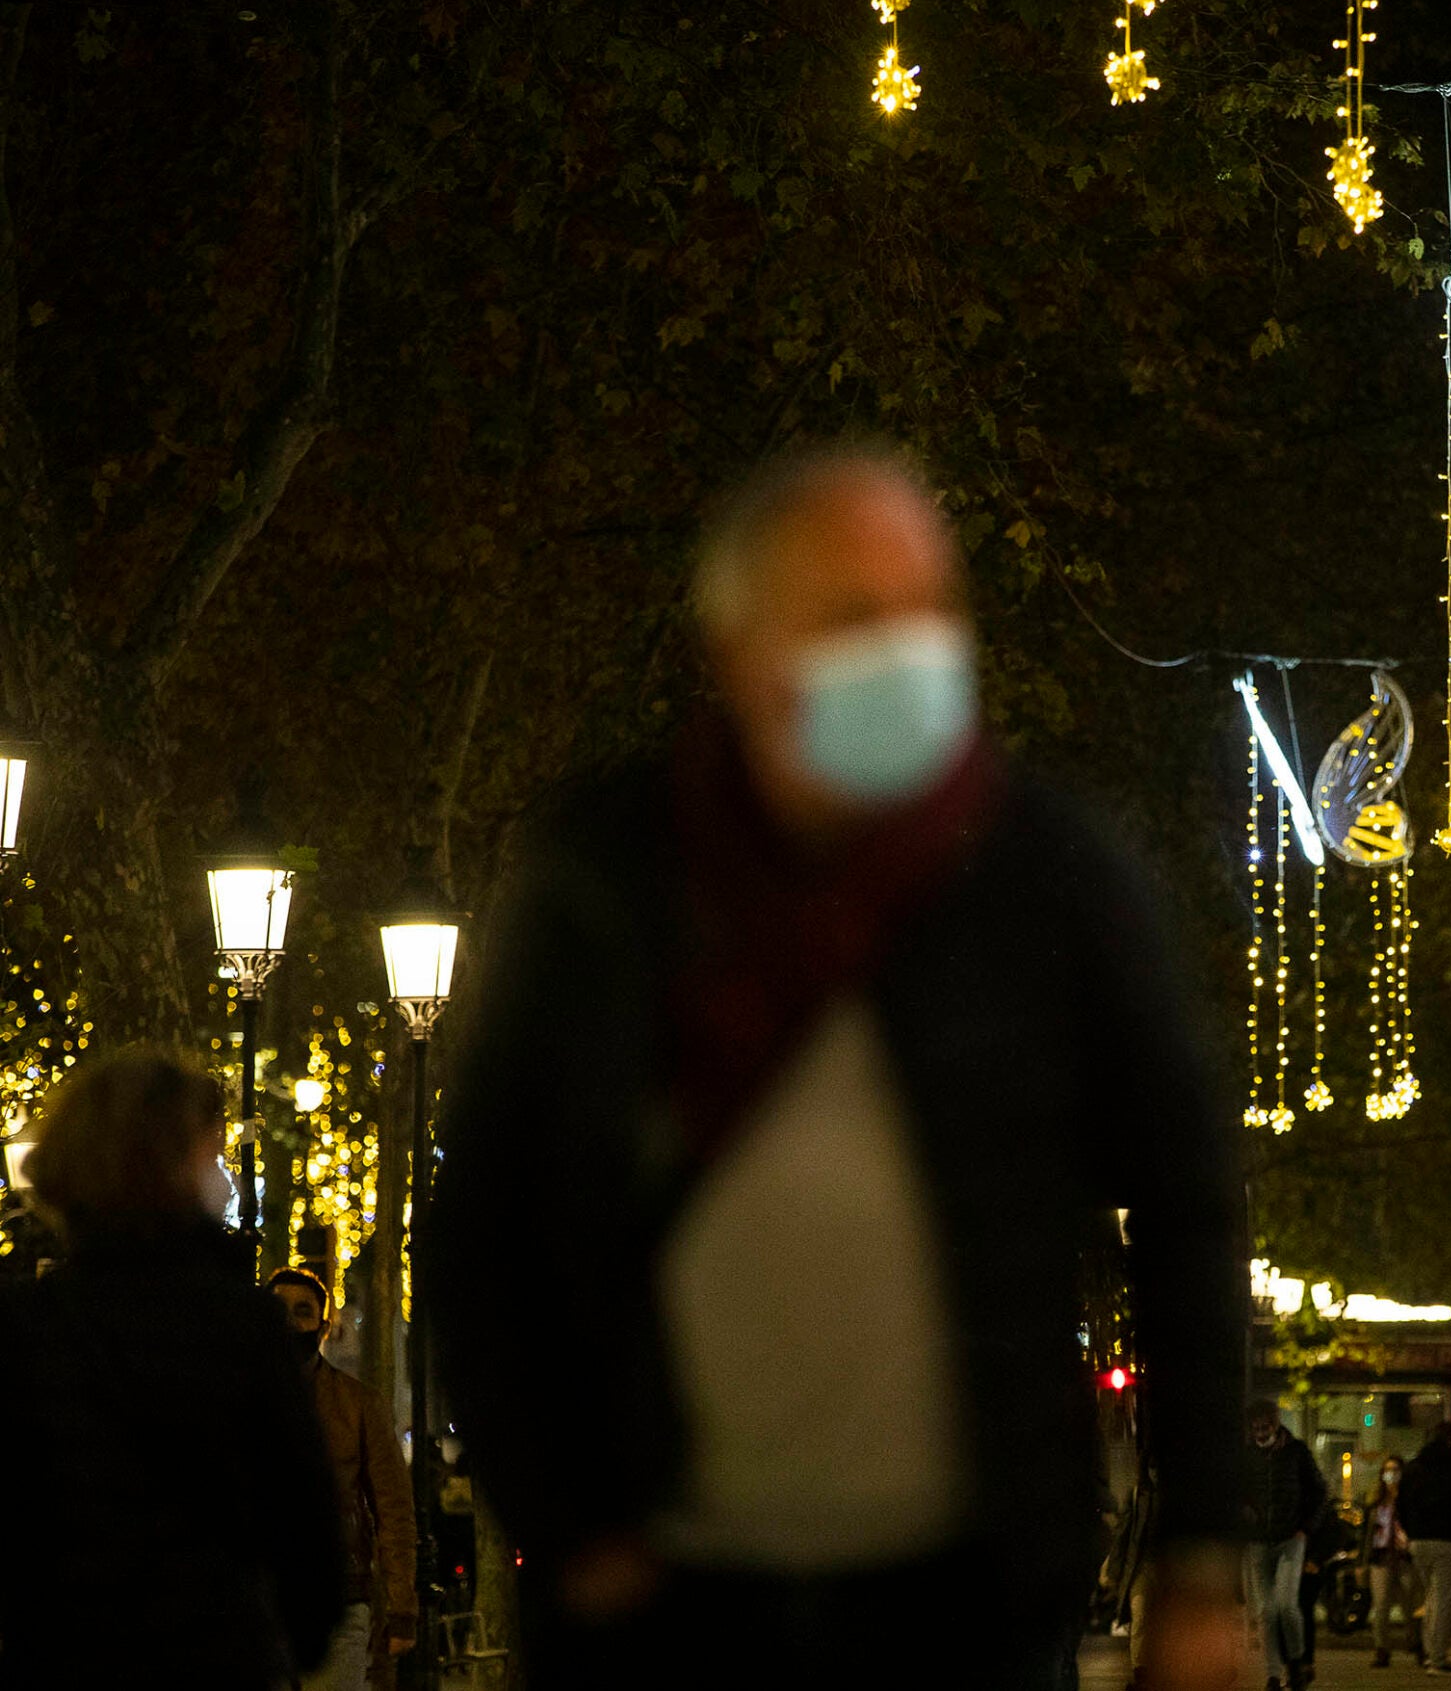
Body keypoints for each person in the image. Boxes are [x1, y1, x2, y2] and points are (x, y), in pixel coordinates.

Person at [430, 442, 1249, 1690]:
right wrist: (569, 1523)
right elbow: (488, 1215)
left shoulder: (1049, 871)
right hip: (661, 1612)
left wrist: (1196, 1560)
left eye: (931, 608)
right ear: (743, 651)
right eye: (858, 615)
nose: (911, 647)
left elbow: (1187, 1206)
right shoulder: (602, 875)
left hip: (965, 1607)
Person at [0, 1051, 345, 1688]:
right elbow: (306, 1527)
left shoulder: (29, 1329)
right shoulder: (238, 1327)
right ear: (169, 1167)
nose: (223, 1174)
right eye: (210, 1155)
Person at [270, 1265, 419, 1690]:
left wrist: (401, 1608)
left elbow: (393, 1508)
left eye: (303, 1312)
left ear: (322, 1323)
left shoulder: (358, 1405)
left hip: (337, 1602)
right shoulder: (234, 1401)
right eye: (279, 1311)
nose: (291, 1322)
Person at [1244, 1400, 1328, 1691]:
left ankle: (1295, 1662)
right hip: (1258, 1541)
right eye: (1255, 1428)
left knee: (1286, 1606)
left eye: (1265, 1427)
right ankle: (1272, 1675)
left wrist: (1306, 1528)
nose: (1260, 1433)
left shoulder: (1296, 1452)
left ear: (1276, 1423)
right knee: (1267, 1611)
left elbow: (1319, 1491)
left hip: (1291, 1538)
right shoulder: (1247, 1456)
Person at [1396, 1420, 1451, 1675]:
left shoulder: (1413, 1468)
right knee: (1442, 1599)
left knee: (1431, 1597)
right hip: (1449, 1541)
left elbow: (1401, 1505)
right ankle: (1437, 1658)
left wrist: (1411, 1533)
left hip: (1419, 1542)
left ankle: (1430, 1652)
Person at [1364, 1455, 1418, 1668]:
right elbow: (1368, 1534)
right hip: (1381, 1557)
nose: (1391, 1474)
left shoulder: (1409, 1498)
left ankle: (1416, 1643)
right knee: (1381, 1606)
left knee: (1409, 1604)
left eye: (1395, 1470)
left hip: (1404, 1557)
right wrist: (1363, 1562)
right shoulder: (1376, 1502)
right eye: (1387, 1470)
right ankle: (1381, 1649)